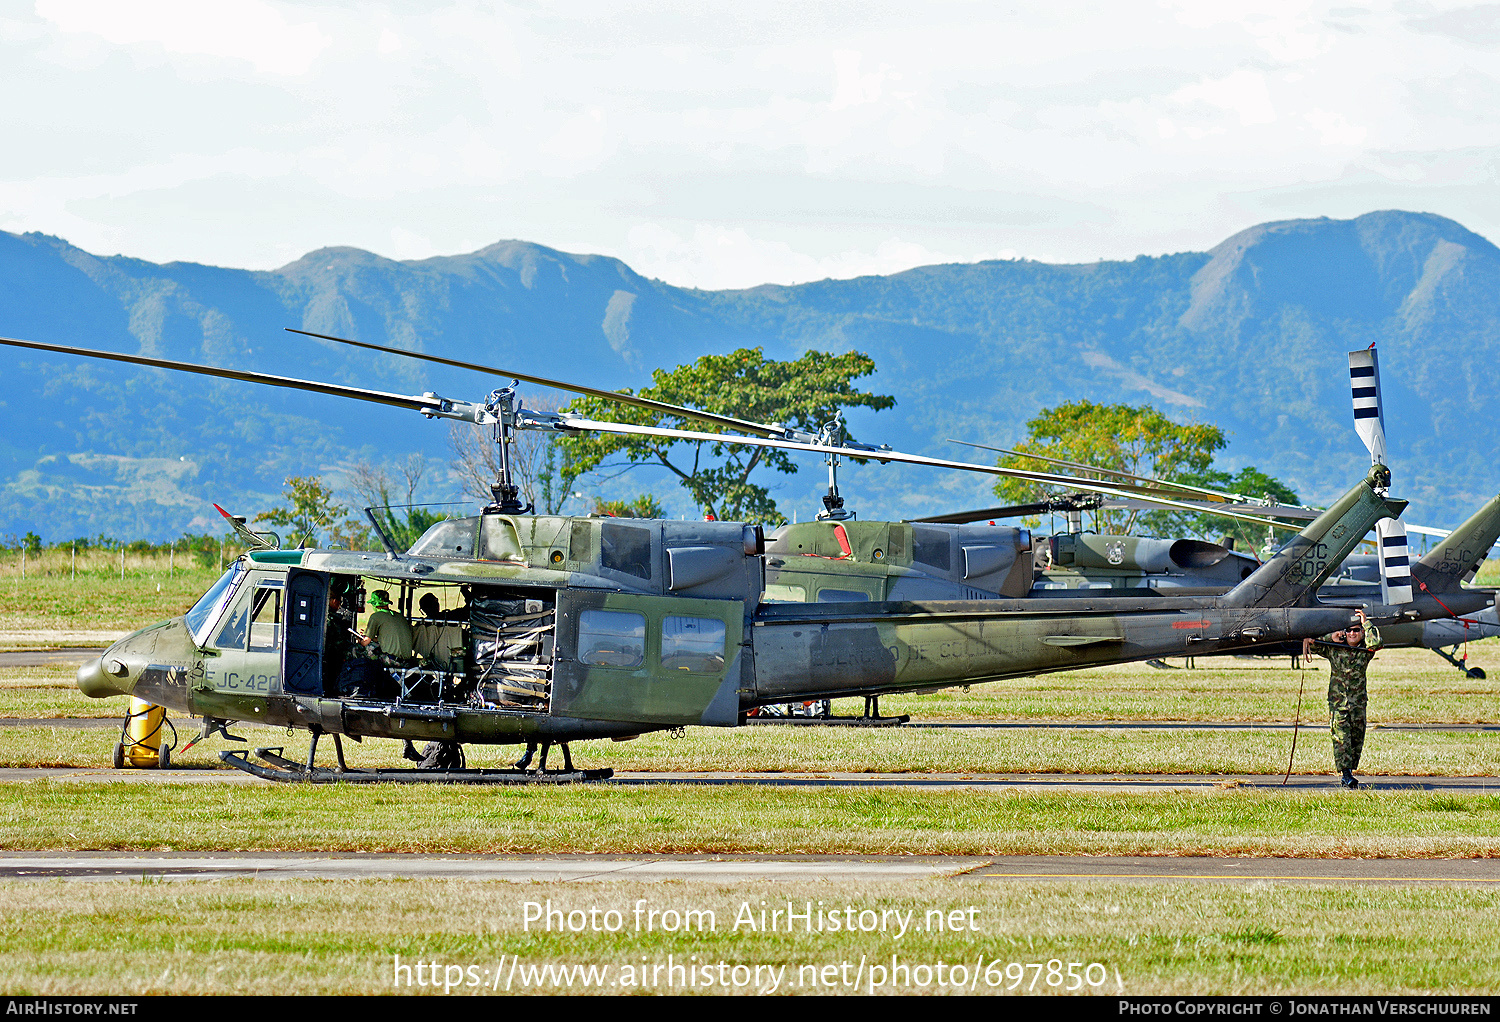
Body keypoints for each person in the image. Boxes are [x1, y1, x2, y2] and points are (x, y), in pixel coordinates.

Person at [1302, 608, 1381, 789]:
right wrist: (1332, 637)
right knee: (1341, 736)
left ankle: (1350, 770)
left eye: (1356, 630)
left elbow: (1376, 643)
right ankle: (1346, 775)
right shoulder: (1335, 649)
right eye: (1349, 630)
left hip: (1358, 701)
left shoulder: (1366, 651)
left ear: (1361, 633)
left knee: (1356, 738)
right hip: (1338, 702)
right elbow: (1312, 643)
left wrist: (1366, 623)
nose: (1352, 633)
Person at [361, 589, 414, 662]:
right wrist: (372, 638)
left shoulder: (376, 616)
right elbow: (387, 638)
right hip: (407, 661)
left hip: (391, 660)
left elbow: (365, 642)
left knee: (356, 650)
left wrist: (360, 640)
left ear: (375, 605)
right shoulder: (400, 616)